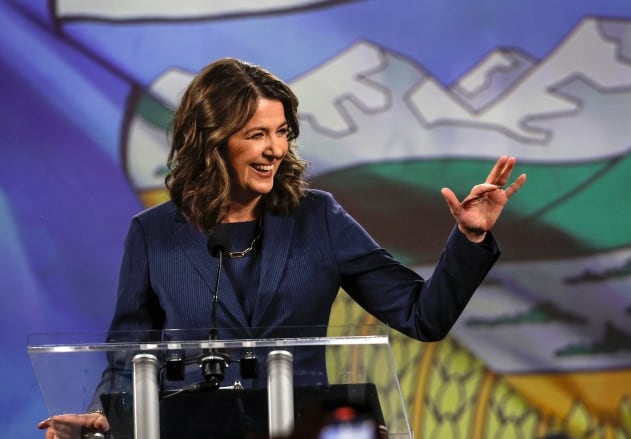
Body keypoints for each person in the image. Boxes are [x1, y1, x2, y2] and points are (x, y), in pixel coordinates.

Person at [38, 57, 526, 438]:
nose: (275, 149)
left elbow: (423, 316)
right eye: (257, 135)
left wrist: (471, 237)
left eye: (282, 133)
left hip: (309, 431)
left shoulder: (319, 218)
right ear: (214, 141)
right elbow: (128, 361)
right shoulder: (155, 233)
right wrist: (102, 417)